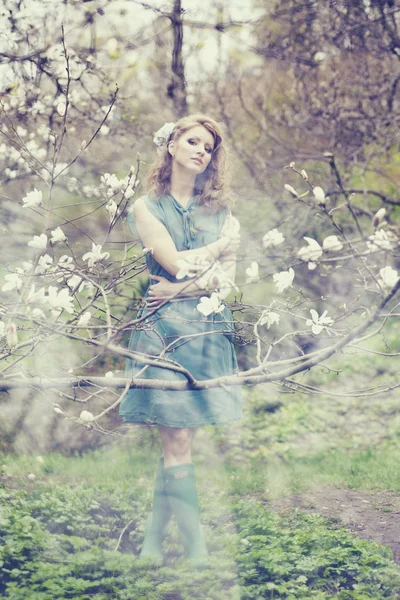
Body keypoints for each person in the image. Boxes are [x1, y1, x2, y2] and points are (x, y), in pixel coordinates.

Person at [119, 114, 242, 564]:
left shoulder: (221, 212)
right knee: (178, 442)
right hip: (166, 331)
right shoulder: (146, 208)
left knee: (179, 442)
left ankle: (152, 546)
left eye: (208, 148)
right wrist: (218, 249)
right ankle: (198, 553)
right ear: (171, 144)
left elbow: (225, 284)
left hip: (207, 332)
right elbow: (172, 264)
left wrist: (185, 283)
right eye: (192, 141)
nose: (200, 151)